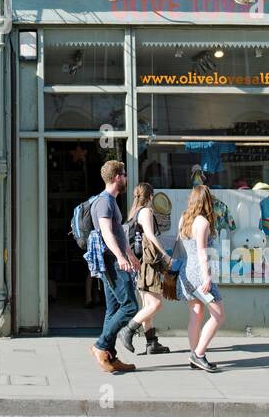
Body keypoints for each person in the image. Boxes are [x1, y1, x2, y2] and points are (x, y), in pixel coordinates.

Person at [88, 160, 139, 375]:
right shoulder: (104, 202)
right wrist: (120, 257)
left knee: (113, 309)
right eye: (124, 174)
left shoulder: (110, 201)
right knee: (130, 307)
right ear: (117, 176)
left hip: (115, 259)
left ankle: (109, 356)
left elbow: (118, 233)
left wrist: (129, 255)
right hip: (112, 262)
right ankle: (101, 345)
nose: (126, 178)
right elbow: (107, 233)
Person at [116, 182, 174, 356]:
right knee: (155, 304)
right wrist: (164, 254)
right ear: (151, 196)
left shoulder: (133, 213)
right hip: (148, 264)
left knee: (148, 305)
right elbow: (149, 234)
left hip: (138, 263)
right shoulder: (146, 211)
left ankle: (152, 343)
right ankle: (128, 329)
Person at [176, 185, 225, 372]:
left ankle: (194, 355)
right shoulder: (202, 222)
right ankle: (199, 354)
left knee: (196, 315)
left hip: (186, 272)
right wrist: (207, 279)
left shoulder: (183, 219)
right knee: (218, 316)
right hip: (199, 275)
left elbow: (182, 248)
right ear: (207, 201)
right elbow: (202, 253)